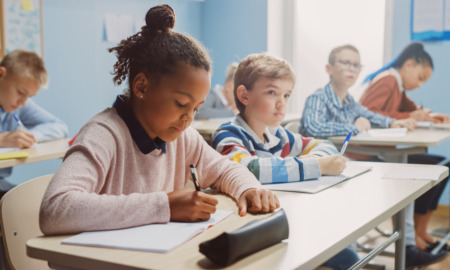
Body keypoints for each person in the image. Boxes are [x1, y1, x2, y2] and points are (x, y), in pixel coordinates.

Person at [39, 5, 279, 236]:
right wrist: (163, 205)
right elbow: (55, 209)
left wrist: (249, 188)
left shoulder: (183, 137)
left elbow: (225, 170)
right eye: (181, 104)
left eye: (196, 108)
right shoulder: (102, 134)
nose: (188, 118)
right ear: (142, 86)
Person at [299, 44, 447, 268]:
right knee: (401, 174)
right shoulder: (318, 98)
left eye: (356, 65)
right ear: (329, 68)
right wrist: (353, 127)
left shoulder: (349, 101)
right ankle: (399, 245)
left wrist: (393, 121)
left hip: (343, 161)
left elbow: (370, 115)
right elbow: (313, 127)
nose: (352, 69)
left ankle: (404, 244)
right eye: (345, 63)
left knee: (406, 174)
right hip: (328, 165)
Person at [211, 52, 357, 270]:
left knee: (347, 256)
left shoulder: (278, 135)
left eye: (287, 95)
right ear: (244, 95)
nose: (281, 104)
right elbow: (248, 169)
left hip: (279, 222)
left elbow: (323, 146)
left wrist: (317, 158)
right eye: (272, 93)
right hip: (246, 231)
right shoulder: (227, 134)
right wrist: (317, 166)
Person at [360, 42, 450, 252]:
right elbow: (366, 114)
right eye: (420, 78)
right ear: (408, 64)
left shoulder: (397, 85)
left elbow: (412, 109)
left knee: (441, 166)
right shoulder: (389, 80)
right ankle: (414, 239)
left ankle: (420, 232)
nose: (420, 85)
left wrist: (434, 117)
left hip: (382, 153)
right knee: (433, 168)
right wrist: (409, 116)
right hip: (367, 156)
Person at [0, 49, 68, 198]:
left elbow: (59, 127)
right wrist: (2, 140)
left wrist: (30, 136)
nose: (24, 102)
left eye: (29, 96)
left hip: (1, 182)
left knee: (35, 202)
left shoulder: (18, 105)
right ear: (1, 74)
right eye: (20, 92)